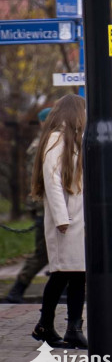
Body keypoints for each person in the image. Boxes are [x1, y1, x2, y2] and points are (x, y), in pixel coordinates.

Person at [29, 95, 87, 349]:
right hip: (66, 219)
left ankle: (73, 327)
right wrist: (62, 218)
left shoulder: (73, 138)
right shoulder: (56, 139)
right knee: (62, 273)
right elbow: (52, 181)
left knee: (77, 274)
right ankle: (46, 324)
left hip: (76, 218)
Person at [5, 107, 52, 304]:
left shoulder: (47, 143)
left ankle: (65, 290)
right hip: (45, 207)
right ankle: (18, 288)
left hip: (48, 206)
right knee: (43, 253)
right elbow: (40, 180)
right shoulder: (40, 146)